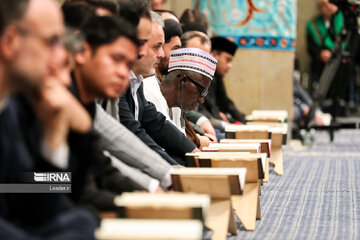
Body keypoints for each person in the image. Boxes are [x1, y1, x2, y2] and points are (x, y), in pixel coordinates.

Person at [0, 0, 97, 239]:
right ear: (10, 41)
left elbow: (28, 201)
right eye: (52, 42)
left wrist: (55, 137)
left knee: (82, 220)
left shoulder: (9, 106)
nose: (58, 56)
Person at [118, 11, 199, 165]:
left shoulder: (137, 80)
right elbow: (133, 132)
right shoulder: (122, 83)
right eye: (157, 47)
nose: (162, 54)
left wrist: (194, 151)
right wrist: (173, 171)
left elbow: (155, 122)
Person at [198, 37, 246, 130]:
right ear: (215, 54)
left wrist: (243, 122)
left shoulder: (217, 77)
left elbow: (226, 103)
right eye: (228, 60)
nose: (230, 66)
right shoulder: (204, 75)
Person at [306, 0, 343, 87]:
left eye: (332, 3)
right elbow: (310, 47)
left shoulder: (344, 20)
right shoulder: (313, 24)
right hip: (322, 66)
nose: (329, 7)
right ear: (319, 8)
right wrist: (320, 53)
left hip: (342, 65)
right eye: (324, 5)